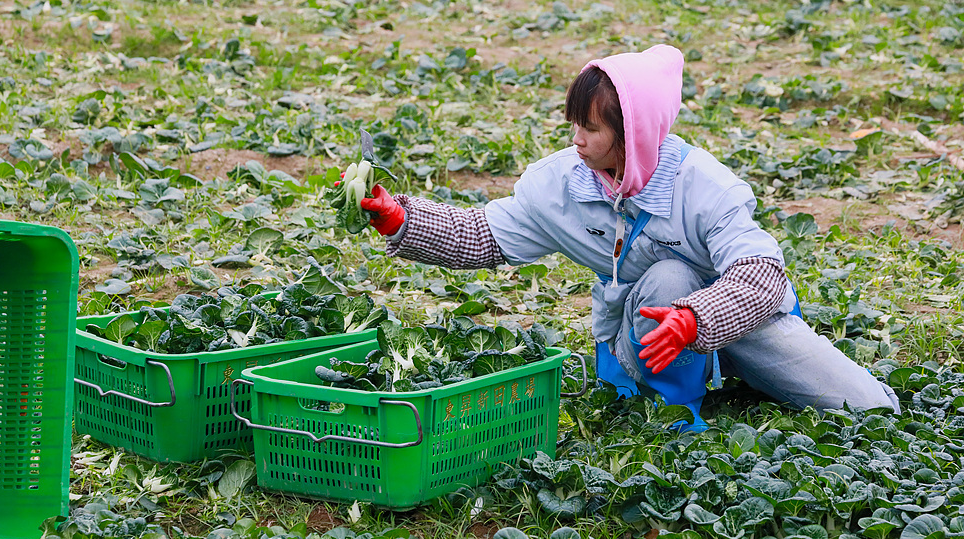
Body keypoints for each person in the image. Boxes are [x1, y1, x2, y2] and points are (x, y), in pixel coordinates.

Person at [355, 44, 899, 430]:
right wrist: (401, 220)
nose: (577, 140)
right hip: (645, 337)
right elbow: (483, 236)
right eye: (574, 124)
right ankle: (670, 412)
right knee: (667, 277)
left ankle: (736, 368)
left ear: (633, 133)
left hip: (734, 323)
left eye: (591, 129)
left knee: (870, 409)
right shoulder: (559, 185)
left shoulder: (704, 185)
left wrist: (697, 319)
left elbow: (760, 275)